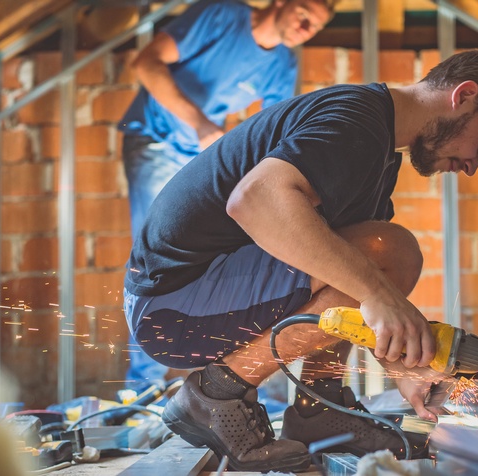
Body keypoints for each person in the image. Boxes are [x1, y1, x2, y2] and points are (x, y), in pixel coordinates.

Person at [122, 49, 478, 472]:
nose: (472, 168)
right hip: (172, 305)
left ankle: (319, 407)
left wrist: (405, 365)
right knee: (390, 253)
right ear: (464, 96)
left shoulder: (378, 148)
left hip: (185, 297)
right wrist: (377, 294)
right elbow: (256, 200)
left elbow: (352, 285)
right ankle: (216, 394)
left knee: (373, 260)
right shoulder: (356, 121)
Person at [118, 0, 334, 392]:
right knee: (152, 264)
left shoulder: (282, 64)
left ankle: (215, 387)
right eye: (304, 14)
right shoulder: (221, 15)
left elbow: (275, 134)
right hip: (156, 139)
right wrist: (200, 123)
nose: (306, 29)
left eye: (315, 27)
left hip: (197, 158)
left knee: (215, 258)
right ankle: (140, 387)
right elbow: (146, 62)